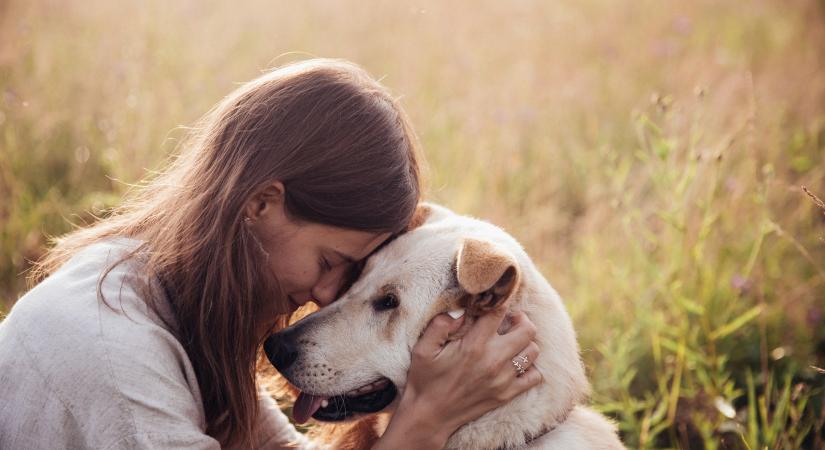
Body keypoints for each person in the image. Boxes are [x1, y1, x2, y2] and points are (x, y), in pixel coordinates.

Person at [0, 59, 541, 449]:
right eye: (330, 262)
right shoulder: (115, 360)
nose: (329, 293)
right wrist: (425, 421)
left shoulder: (172, 295)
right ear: (261, 203)